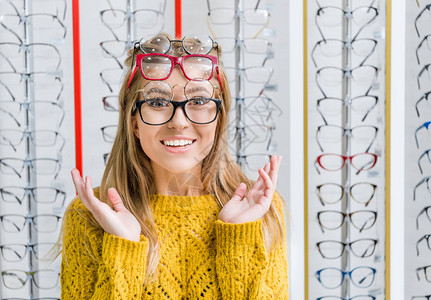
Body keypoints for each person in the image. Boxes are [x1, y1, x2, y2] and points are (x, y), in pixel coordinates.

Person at [54, 32, 290, 299]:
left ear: (218, 118)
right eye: (157, 102)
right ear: (134, 122)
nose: (178, 122)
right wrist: (122, 248)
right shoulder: (89, 216)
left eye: (199, 101)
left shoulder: (261, 210)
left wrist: (238, 238)